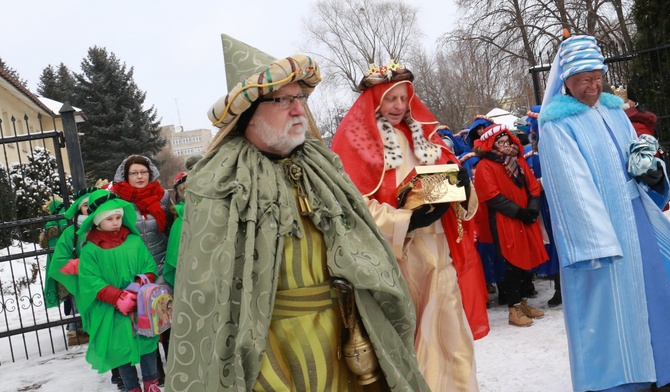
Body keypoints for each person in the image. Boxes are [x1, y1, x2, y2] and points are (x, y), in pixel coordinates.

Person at [165, 34, 429, 392]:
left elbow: (361, 243)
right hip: (268, 346)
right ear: (250, 112)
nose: (299, 109)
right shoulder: (219, 181)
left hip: (346, 335)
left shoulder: (323, 165)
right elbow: (212, 293)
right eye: (284, 100)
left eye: (301, 98)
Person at [331, 60, 489, 391]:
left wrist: (462, 185)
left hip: (439, 250)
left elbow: (456, 195)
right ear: (375, 99)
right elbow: (352, 207)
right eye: (390, 99)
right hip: (397, 260)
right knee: (412, 338)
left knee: (450, 334)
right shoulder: (355, 144)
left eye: (403, 99)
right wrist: (405, 221)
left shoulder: (425, 139)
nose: (398, 106)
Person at [538, 34, 670, 391]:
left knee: (655, 292)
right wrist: (596, 241)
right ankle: (620, 380)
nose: (593, 86)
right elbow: (570, 187)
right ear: (567, 81)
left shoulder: (614, 110)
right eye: (583, 80)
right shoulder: (557, 125)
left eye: (597, 77)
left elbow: (635, 155)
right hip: (601, 235)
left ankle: (662, 366)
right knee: (614, 307)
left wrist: (653, 172)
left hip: (638, 218)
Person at [71, 189, 161, 392]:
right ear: (96, 221)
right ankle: (132, 387)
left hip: (140, 306)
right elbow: (90, 279)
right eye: (109, 218)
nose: (115, 222)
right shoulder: (91, 249)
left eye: (118, 217)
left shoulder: (133, 241)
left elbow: (149, 266)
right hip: (110, 309)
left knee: (147, 344)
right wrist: (117, 296)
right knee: (118, 348)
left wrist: (136, 288)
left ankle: (151, 383)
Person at [472, 123, 548, 326]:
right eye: (501, 142)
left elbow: (533, 186)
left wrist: (532, 208)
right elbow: (491, 196)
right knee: (514, 262)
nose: (506, 145)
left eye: (507, 141)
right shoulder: (484, 166)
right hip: (505, 220)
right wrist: (519, 212)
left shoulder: (519, 161)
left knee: (528, 258)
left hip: (526, 218)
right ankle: (513, 309)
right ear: (491, 143)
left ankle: (523, 303)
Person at [111, 154, 171, 384]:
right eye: (134, 173)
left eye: (143, 172)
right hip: (137, 270)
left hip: (163, 263)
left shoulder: (163, 196)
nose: (139, 176)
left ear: (151, 173)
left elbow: (172, 227)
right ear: (125, 176)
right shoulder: (116, 199)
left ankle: (173, 365)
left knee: (166, 317)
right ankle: (156, 373)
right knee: (145, 322)